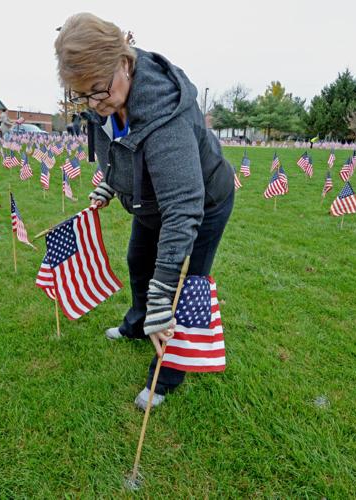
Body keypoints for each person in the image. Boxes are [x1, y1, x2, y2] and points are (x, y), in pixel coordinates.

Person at [55, 13, 235, 409]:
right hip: (150, 202)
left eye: (98, 91)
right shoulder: (102, 99)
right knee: (138, 258)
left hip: (200, 203)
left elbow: (183, 207)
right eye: (83, 96)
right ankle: (136, 324)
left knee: (183, 289)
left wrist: (163, 293)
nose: (95, 104)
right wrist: (112, 182)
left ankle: (166, 376)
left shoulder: (163, 114)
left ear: (123, 61)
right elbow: (123, 150)